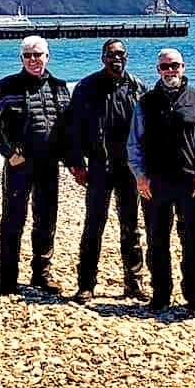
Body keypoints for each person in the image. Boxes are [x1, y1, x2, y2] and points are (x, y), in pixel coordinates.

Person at [127, 48, 195, 312]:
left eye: (174, 66)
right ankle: (161, 294)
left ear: (183, 67)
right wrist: (139, 176)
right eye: (165, 67)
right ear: (158, 70)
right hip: (155, 183)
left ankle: (193, 296)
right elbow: (134, 143)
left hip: (191, 183)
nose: (170, 71)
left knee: (192, 240)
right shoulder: (146, 102)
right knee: (157, 240)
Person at [0, 35, 71, 295]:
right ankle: (8, 278)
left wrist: (73, 160)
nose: (34, 60)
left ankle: (41, 273)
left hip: (49, 164)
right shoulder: (4, 87)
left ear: (48, 56)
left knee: (46, 219)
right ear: (21, 58)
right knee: (13, 219)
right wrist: (9, 153)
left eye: (38, 55)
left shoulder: (60, 87)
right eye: (28, 56)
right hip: (19, 164)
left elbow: (68, 127)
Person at [66, 39, 150, 303]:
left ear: (127, 57)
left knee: (131, 226)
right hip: (98, 167)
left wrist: (147, 168)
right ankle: (86, 284)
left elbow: (149, 132)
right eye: (111, 54)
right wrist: (76, 163)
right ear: (103, 57)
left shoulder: (138, 88)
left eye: (121, 54)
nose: (117, 58)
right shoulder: (86, 87)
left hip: (129, 168)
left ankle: (134, 283)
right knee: (94, 225)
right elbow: (72, 128)